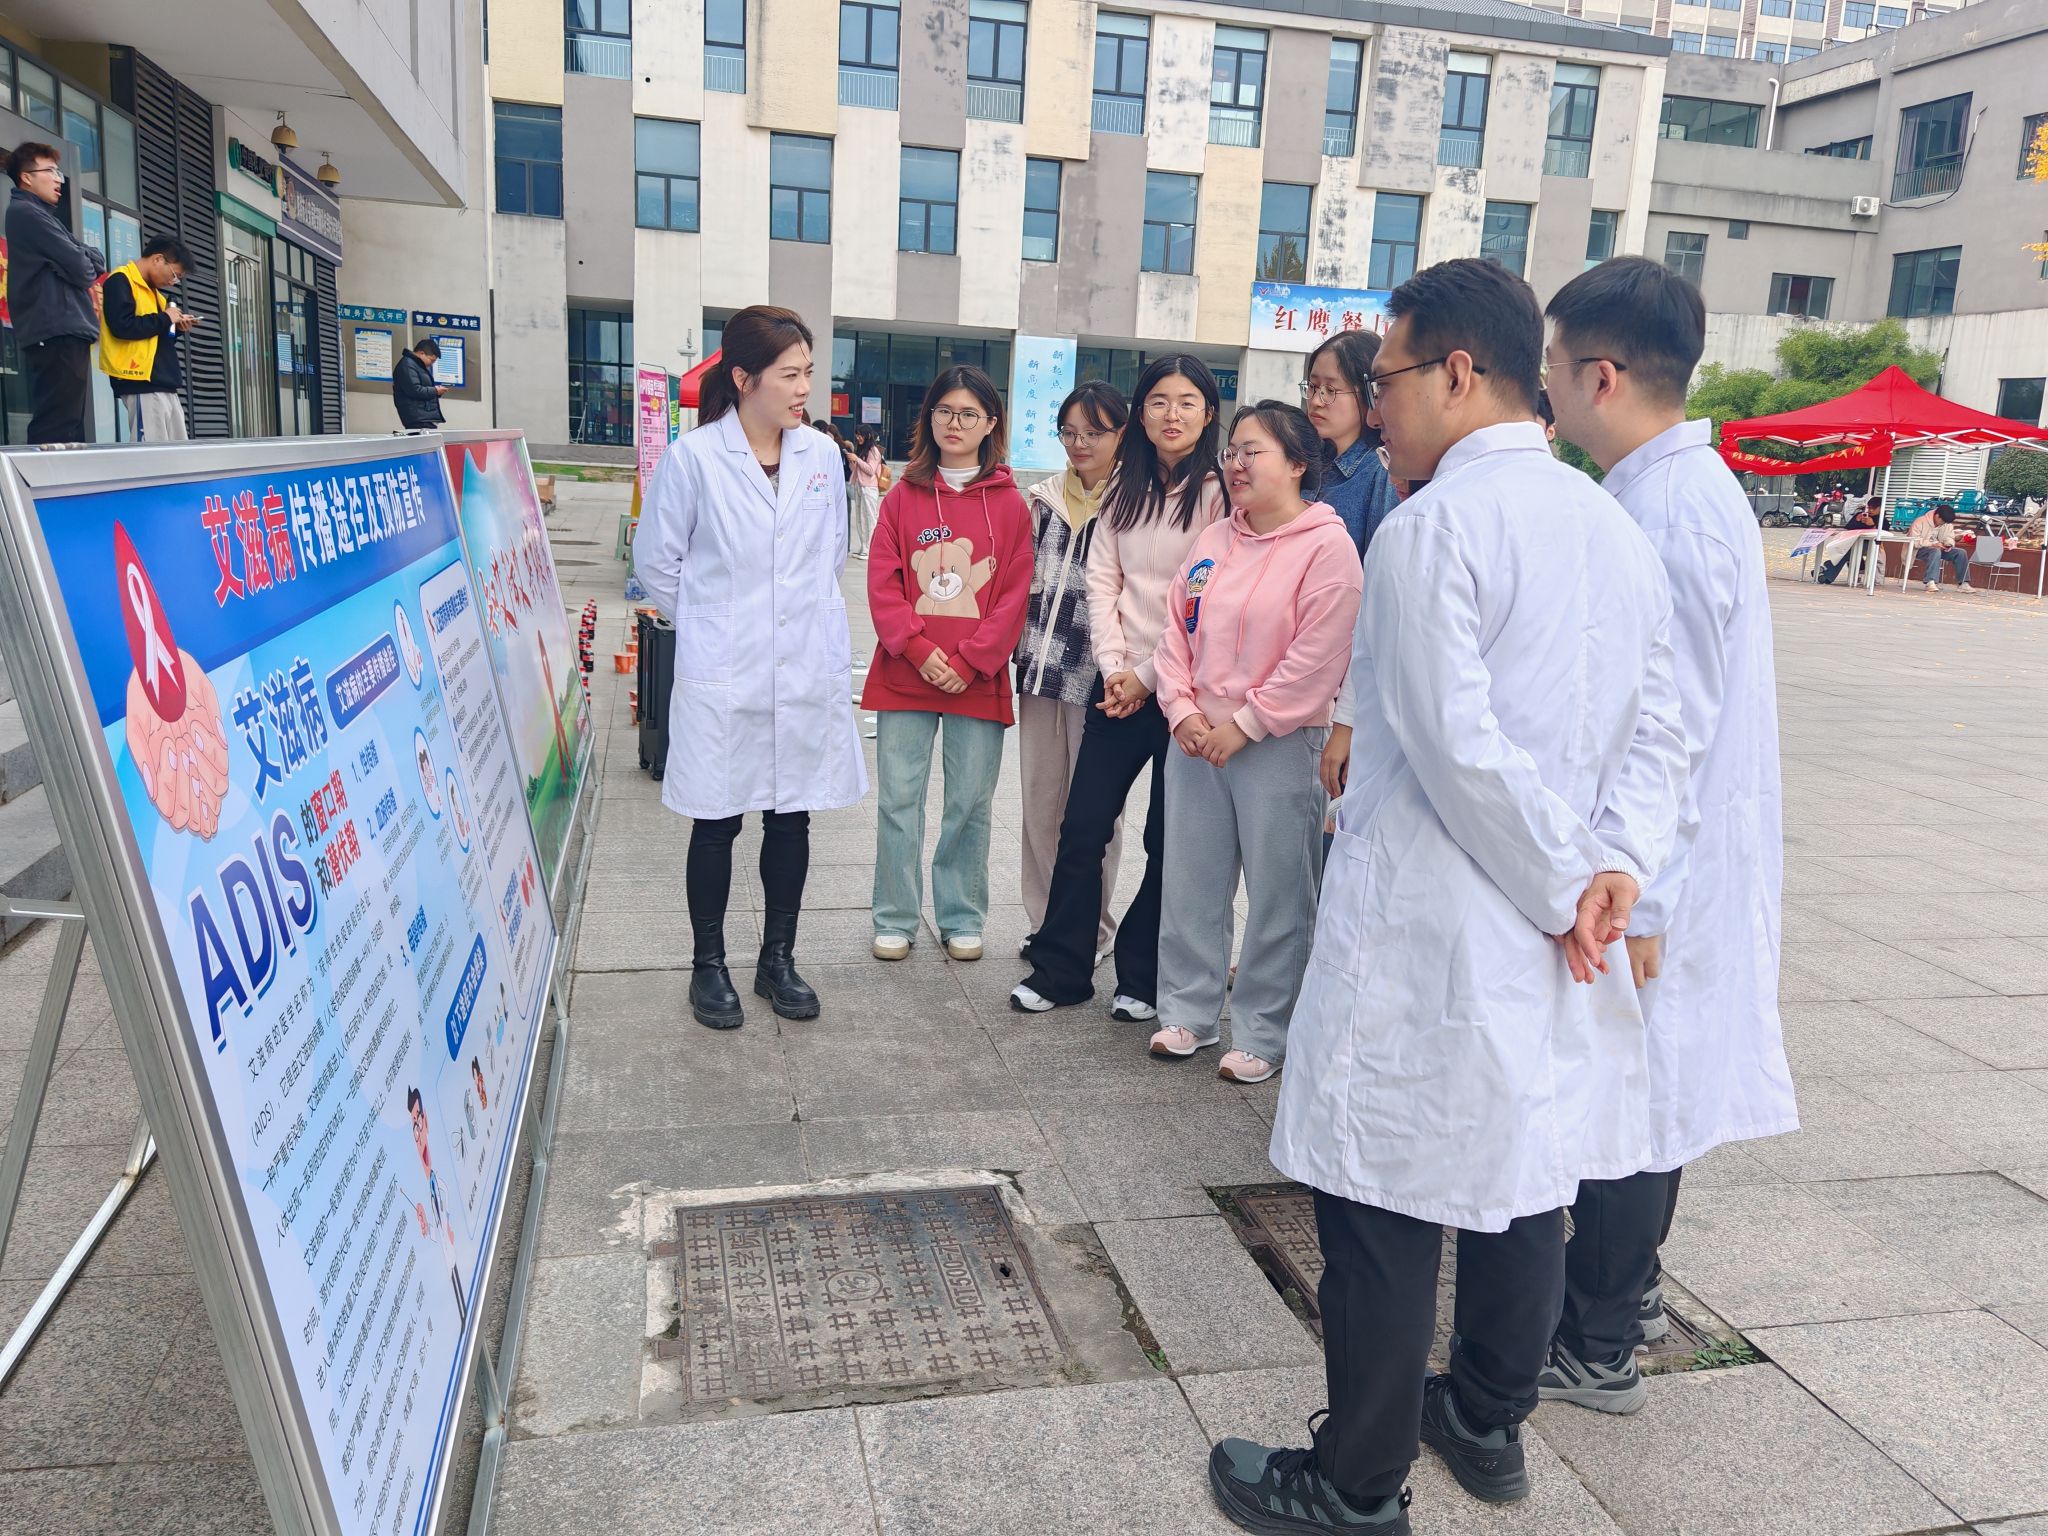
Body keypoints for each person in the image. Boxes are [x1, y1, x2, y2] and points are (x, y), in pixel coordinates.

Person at [1207, 259, 1687, 1536]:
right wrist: (1611, 873)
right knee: (1521, 1174)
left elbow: (1456, 747)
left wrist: (1570, 886)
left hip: (1445, 915)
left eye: (1388, 377)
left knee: (1380, 1198)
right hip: (1552, 926)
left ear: (1458, 373)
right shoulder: (1609, 527)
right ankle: (1483, 1416)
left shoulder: (1432, 528)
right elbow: (1661, 733)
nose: (1377, 404)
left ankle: (1355, 1483)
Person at [1538, 255, 1797, 1414]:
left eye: (1551, 366)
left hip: (1653, 871)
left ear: (1599, 375)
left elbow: (1671, 728)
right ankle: (1627, 1295)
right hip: (1656, 864)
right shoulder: (1666, 490)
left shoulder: (1669, 511)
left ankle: (1595, 1343)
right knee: (1646, 1088)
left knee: (1632, 1103)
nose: (1544, 388)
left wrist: (1637, 894)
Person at [638, 304, 868, 1029]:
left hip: (801, 666)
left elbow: (830, 554)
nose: (805, 389)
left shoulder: (821, 456)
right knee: (716, 822)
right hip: (725, 669)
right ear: (744, 378)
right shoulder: (694, 458)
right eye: (790, 375)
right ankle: (708, 965)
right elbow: (658, 564)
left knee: (790, 817)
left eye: (808, 373)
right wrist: (718, 624)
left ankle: (778, 959)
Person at [1009, 356, 1229, 1020]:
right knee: (1082, 827)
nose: (1171, 414)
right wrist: (1115, 671)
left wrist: (1150, 676)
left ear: (1208, 413)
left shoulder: (1219, 495)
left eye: (1186, 402)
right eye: (1159, 401)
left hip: (1186, 695)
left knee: (1168, 839)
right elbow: (1100, 581)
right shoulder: (1124, 490)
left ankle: (1142, 975)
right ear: (1142, 414)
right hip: (1119, 687)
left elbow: (1206, 598)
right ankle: (1062, 969)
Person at [1150, 401, 1361, 1083]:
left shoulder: (1328, 548)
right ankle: (1188, 1012)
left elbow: (1319, 655)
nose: (1236, 464)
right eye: (1232, 451)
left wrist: (1245, 725)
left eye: (1254, 452)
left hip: (1279, 740)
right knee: (1191, 880)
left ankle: (1266, 1031)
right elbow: (1175, 631)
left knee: (1280, 892)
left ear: (1298, 463)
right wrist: (1181, 709)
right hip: (1195, 739)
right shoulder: (1214, 539)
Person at [863, 365, 1032, 962]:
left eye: (968, 414)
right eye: (943, 411)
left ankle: (961, 915)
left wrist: (972, 659)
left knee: (969, 803)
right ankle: (895, 916)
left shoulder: (1011, 505)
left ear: (990, 424)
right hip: (904, 674)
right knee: (898, 800)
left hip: (977, 680)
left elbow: (1014, 594)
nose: (953, 424)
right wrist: (918, 649)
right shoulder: (901, 497)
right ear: (928, 418)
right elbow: (883, 583)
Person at [1016, 381, 1127, 965]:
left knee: (1095, 814)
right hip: (1041, 671)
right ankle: (1044, 922)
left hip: (1103, 678)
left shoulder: (1135, 503)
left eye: (1094, 433)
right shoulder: (1041, 500)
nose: (1080, 443)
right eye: (1070, 432)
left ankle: (1094, 928)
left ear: (1121, 435)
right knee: (1040, 802)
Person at [1300, 331, 1399, 819]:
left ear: (1367, 394)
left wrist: (1350, 719)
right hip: (1294, 670)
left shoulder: (1380, 473)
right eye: (1311, 387)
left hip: (1343, 681)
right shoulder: (1304, 466)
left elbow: (1378, 597)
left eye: (1330, 389)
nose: (1317, 401)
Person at [6, 142, 105, 445]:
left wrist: (76, 258)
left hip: (62, 328)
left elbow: (95, 260)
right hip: (55, 328)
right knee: (56, 423)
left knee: (67, 422)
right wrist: (77, 259)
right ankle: (39, 476)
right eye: (50, 171)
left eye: (58, 172)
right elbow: (83, 269)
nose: (58, 179)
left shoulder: (44, 217)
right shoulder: (26, 213)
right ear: (26, 177)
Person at [98, 235, 198, 442]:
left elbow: (156, 338)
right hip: (140, 380)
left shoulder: (155, 294)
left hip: (163, 381)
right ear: (158, 259)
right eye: (174, 275)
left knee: (177, 450)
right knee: (151, 450)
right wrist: (165, 318)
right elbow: (122, 326)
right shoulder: (120, 280)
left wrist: (177, 328)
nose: (172, 282)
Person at [1908, 502, 1973, 591]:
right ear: (1937, 516)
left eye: (1945, 522)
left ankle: (1963, 583)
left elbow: (1949, 537)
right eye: (1942, 521)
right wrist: (1932, 544)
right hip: (1918, 549)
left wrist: (1949, 544)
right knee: (1935, 551)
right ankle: (1930, 581)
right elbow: (1914, 541)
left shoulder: (1946, 523)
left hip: (1939, 548)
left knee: (1961, 553)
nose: (1943, 524)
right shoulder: (1920, 521)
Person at [394, 336, 449, 429]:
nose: (431, 364)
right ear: (422, 353)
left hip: (423, 417)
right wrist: (435, 391)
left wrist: (436, 392)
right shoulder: (407, 365)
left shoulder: (417, 365)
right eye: (431, 360)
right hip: (417, 418)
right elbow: (414, 390)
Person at [849, 428, 885, 558]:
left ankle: (870, 548)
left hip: (869, 487)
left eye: (860, 435)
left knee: (870, 518)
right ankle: (864, 547)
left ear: (868, 435)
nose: (858, 438)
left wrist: (857, 460)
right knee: (860, 518)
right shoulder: (862, 449)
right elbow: (857, 469)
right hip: (859, 485)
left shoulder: (874, 451)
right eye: (857, 435)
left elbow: (870, 470)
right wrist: (852, 461)